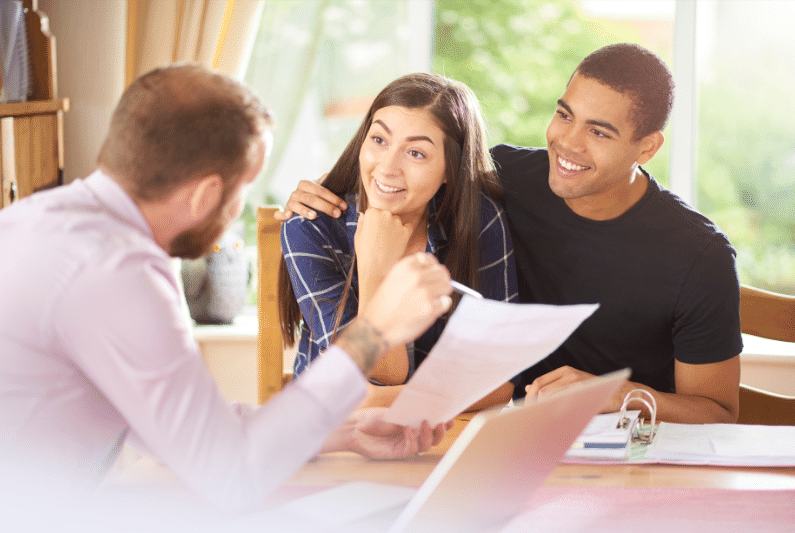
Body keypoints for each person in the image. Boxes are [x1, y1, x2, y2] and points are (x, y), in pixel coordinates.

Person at [0, 64, 454, 512]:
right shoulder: (119, 271)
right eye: (243, 190)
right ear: (203, 195)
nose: (239, 208)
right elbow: (230, 474)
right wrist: (372, 332)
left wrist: (348, 431)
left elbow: (185, 435)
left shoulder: (37, 220)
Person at [275, 44, 742, 424]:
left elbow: (719, 411)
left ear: (648, 146)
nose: (568, 144)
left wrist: (616, 393)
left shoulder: (699, 256)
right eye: (564, 115)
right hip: (494, 430)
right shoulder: (499, 183)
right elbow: (397, 169)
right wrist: (319, 203)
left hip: (619, 443)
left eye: (598, 133)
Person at [278, 73, 518, 409]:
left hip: (440, 432)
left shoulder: (478, 220)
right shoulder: (312, 226)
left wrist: (381, 400)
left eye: (416, 153)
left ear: (451, 168)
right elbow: (379, 373)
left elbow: (500, 382)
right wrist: (377, 267)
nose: (387, 168)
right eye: (379, 140)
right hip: (332, 435)